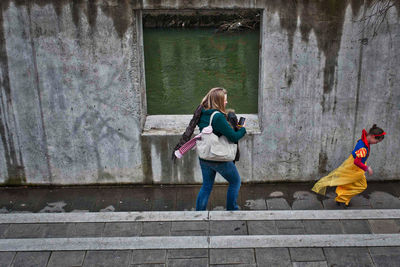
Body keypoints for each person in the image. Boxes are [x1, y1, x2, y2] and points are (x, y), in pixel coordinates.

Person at [195, 87, 246, 211]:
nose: (226, 102)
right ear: (218, 101)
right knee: (235, 182)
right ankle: (232, 209)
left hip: (204, 156)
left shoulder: (202, 112)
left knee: (206, 186)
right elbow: (233, 137)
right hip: (218, 157)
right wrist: (243, 129)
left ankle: (198, 213)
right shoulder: (217, 117)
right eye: (224, 100)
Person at [312, 125, 386, 207]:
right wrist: (367, 168)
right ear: (372, 136)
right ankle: (342, 197)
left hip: (354, 165)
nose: (376, 143)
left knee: (350, 183)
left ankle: (342, 198)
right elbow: (357, 162)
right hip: (355, 167)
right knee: (361, 185)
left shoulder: (363, 140)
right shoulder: (363, 147)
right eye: (376, 141)